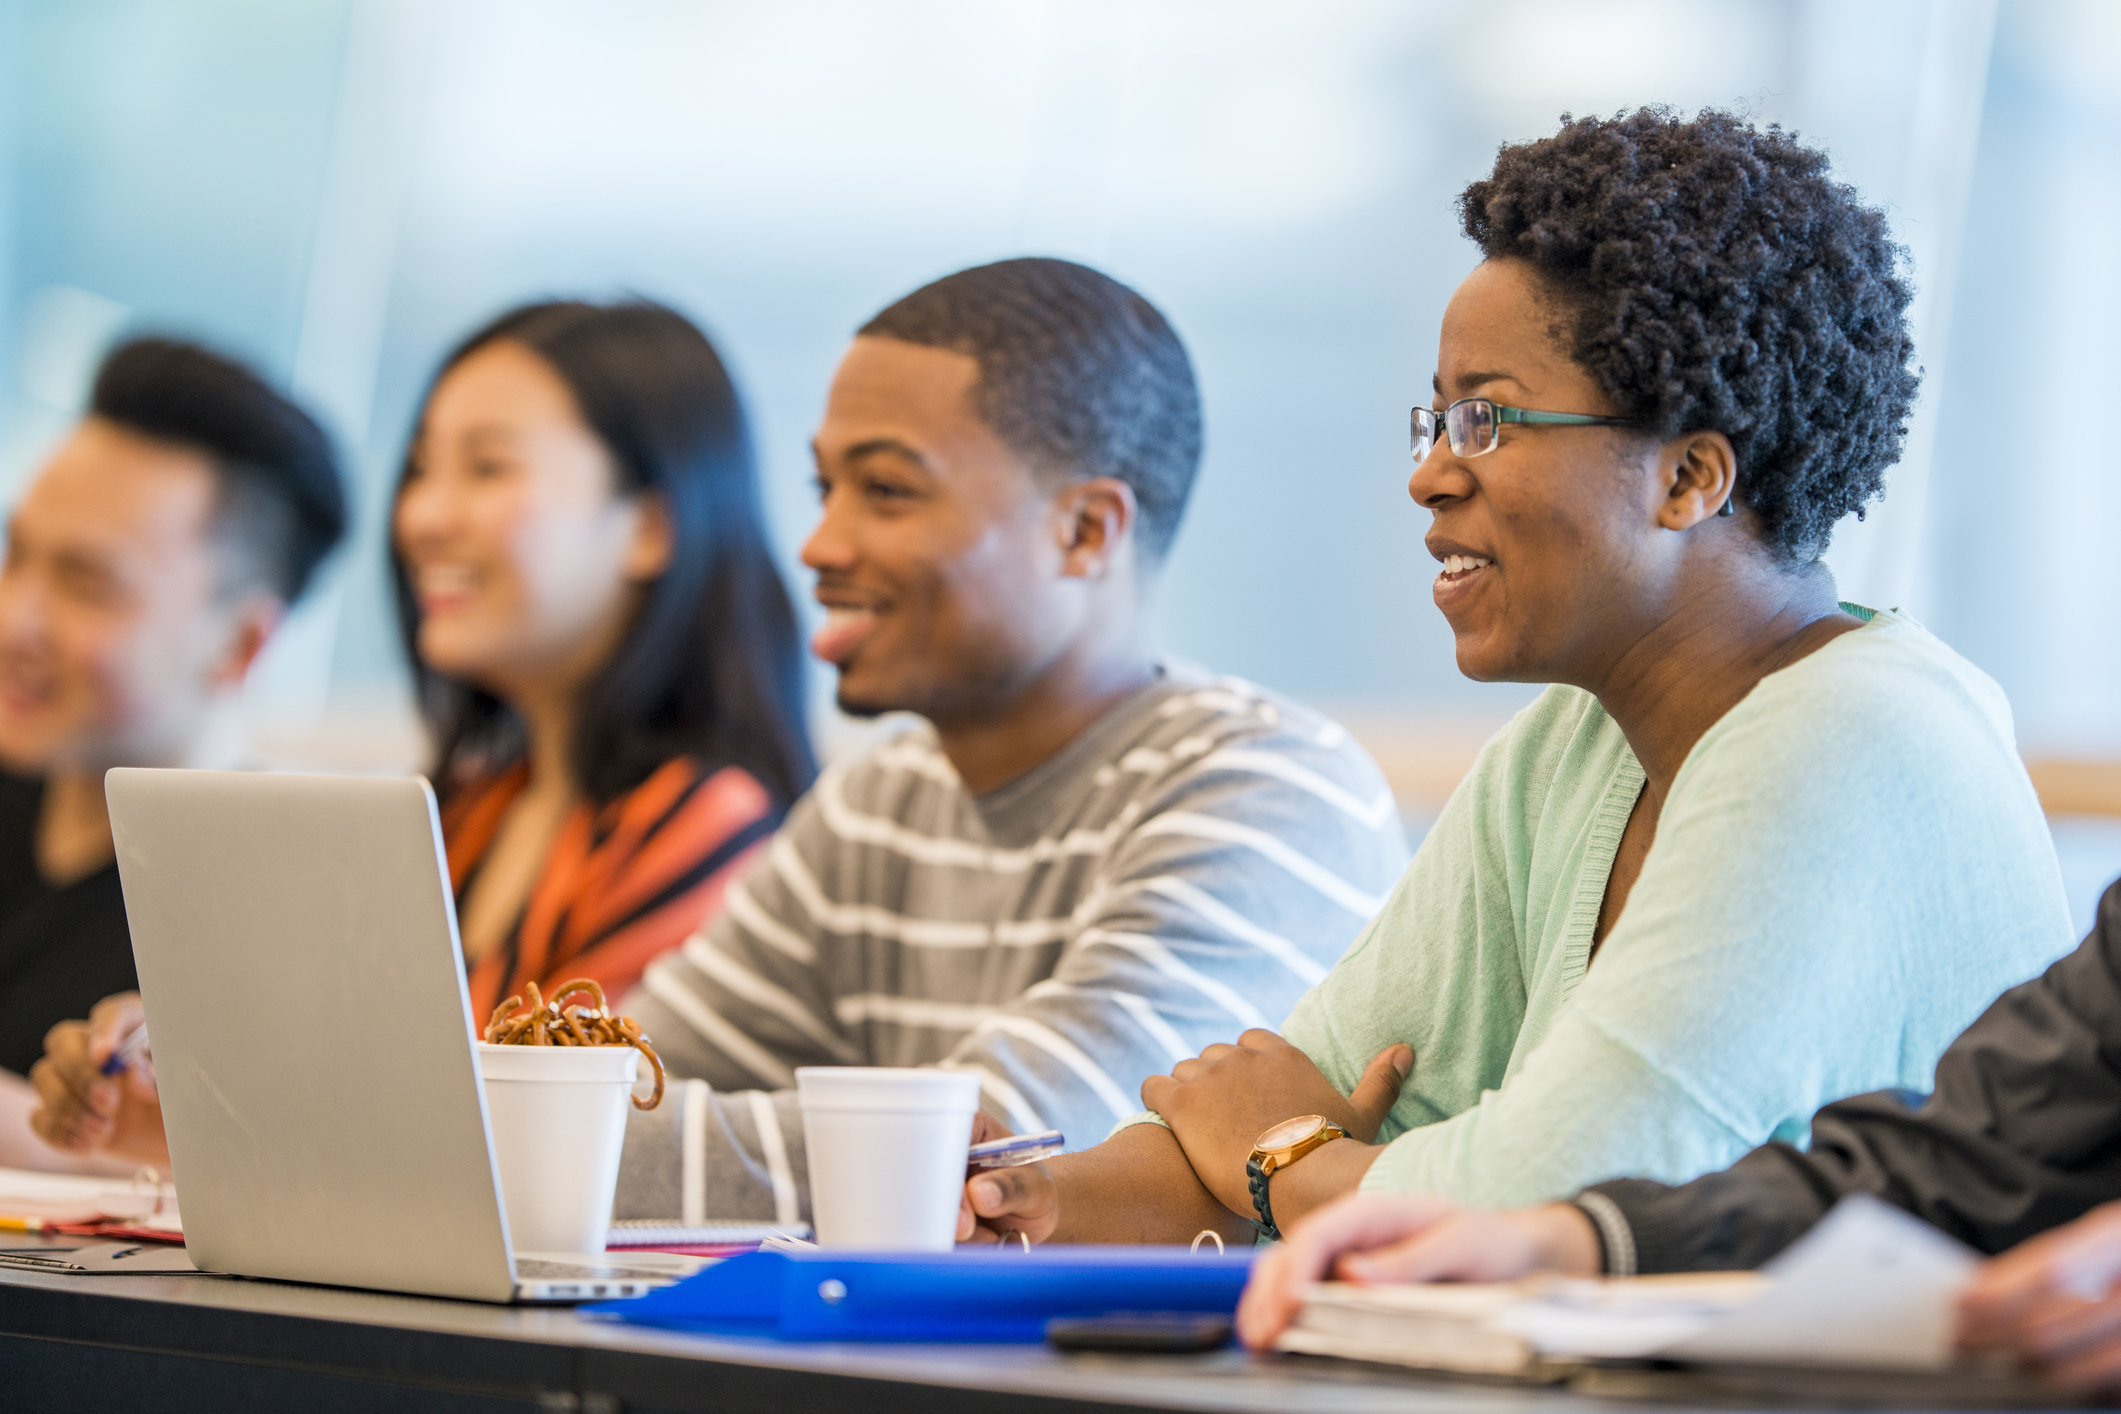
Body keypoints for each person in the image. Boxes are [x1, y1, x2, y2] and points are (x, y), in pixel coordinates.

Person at [958, 109, 2074, 1251]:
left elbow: (1561, 1191)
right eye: (1436, 420)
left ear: (1689, 475)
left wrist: (1289, 1157)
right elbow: (1296, 1103)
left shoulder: (1855, 736)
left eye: (1485, 419)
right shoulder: (1573, 748)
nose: (1430, 476)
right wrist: (1024, 1201)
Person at [610, 256, 1411, 1225]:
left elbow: (997, 1176)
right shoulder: (882, 800)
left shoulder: (1271, 790)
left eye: (887, 491)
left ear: (1084, 531)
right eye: (826, 489)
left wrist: (546, 1136)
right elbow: (620, 1076)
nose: (819, 544)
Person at [29, 299, 815, 1166]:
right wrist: (162, 1102)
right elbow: (334, 1134)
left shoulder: (698, 826)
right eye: (420, 469)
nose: (423, 516)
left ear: (652, 525)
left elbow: (546, 1156)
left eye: (487, 469)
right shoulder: (463, 812)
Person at [1235, 877, 2121, 1394]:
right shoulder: (1554, 742)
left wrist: (1291, 1156)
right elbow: (1941, 1166)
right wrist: (1563, 1237)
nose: (1427, 544)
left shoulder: (1848, 727)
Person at [0, 337, 346, 1169]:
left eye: (87, 584)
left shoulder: (294, 906)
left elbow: (277, 1190)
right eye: (15, 556)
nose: (17, 621)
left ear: (238, 643)